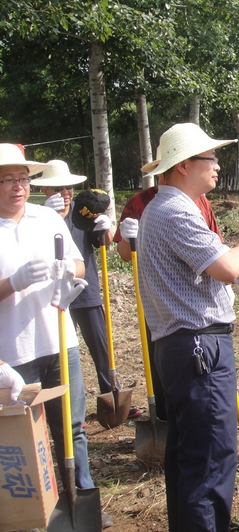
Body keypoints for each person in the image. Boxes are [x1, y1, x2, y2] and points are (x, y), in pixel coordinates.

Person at [137, 123, 239, 531]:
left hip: (183, 348)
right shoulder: (176, 211)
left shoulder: (165, 210)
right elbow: (230, 267)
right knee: (211, 459)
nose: (217, 166)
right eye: (210, 158)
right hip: (199, 348)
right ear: (182, 166)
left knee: (189, 456)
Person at [0, 144, 113, 528]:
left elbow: (78, 262)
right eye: (7, 180)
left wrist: (70, 271)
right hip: (12, 351)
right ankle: (36, 511)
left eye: (22, 179)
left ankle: (80, 498)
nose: (17, 187)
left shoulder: (45, 219)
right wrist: (13, 282)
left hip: (59, 339)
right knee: (24, 436)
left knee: (73, 427)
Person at [112, 151, 223, 422]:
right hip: (160, 295)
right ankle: (165, 416)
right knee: (162, 357)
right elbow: (125, 254)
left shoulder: (201, 201)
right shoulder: (140, 202)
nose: (216, 167)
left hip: (196, 301)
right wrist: (129, 239)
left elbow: (215, 242)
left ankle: (185, 422)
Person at [31, 160, 142, 419]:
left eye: (68, 187)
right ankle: (57, 408)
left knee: (101, 349)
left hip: (86, 290)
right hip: (54, 294)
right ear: (46, 191)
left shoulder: (82, 213)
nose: (65, 193)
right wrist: (45, 218)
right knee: (55, 353)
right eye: (57, 188)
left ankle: (112, 397)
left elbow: (102, 242)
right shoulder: (36, 218)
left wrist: (105, 228)